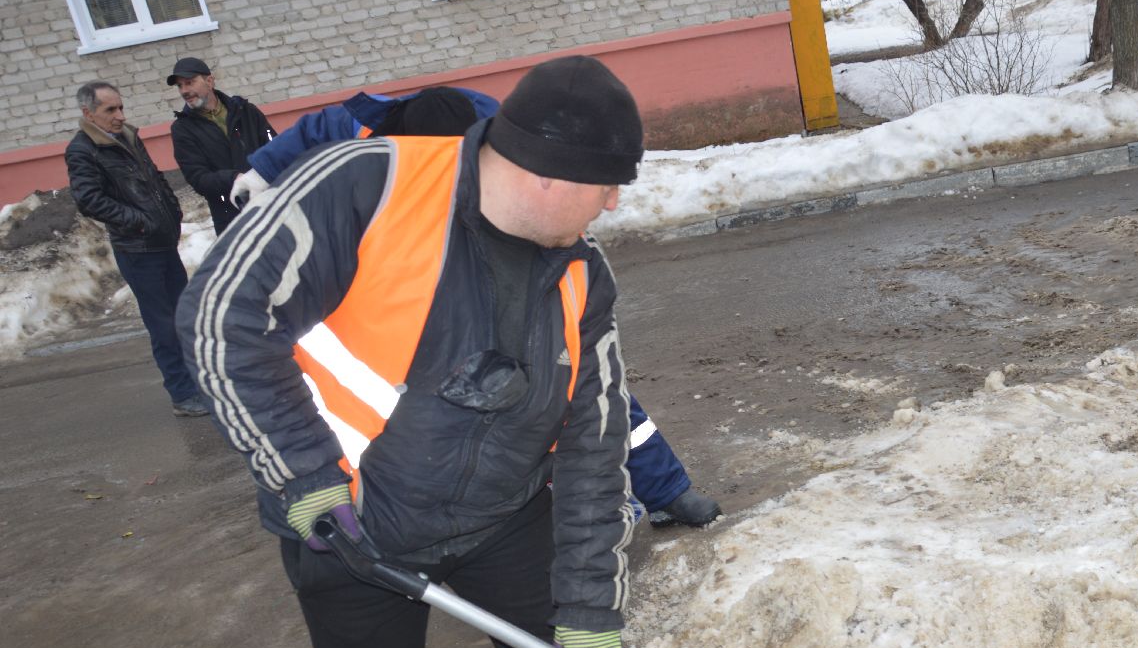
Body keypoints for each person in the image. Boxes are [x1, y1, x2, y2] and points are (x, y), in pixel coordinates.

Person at [178, 56, 714, 648]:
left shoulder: (583, 276)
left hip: (503, 514)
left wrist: (590, 606)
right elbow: (221, 320)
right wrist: (303, 477)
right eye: (607, 188)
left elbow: (593, 445)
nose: (613, 207)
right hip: (346, 525)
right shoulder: (369, 186)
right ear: (549, 173)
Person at [233, 84, 721, 528]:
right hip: (409, 274)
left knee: (576, 375)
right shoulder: (364, 137)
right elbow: (320, 128)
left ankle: (667, 489)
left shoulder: (510, 144)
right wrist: (260, 173)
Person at [65, 81, 208, 417]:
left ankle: (196, 384)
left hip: (162, 241)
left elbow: (154, 179)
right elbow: (89, 200)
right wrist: (140, 221)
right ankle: (182, 395)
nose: (119, 115)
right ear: (88, 113)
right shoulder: (83, 149)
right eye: (110, 110)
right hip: (138, 247)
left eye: (120, 107)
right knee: (163, 325)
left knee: (182, 316)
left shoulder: (127, 135)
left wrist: (172, 209)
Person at [166, 57, 276, 234]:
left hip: (270, 204)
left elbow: (273, 146)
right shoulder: (183, 129)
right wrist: (234, 178)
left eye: (189, 83)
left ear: (209, 81)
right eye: (180, 86)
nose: (184, 91)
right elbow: (198, 178)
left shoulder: (245, 111)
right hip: (231, 219)